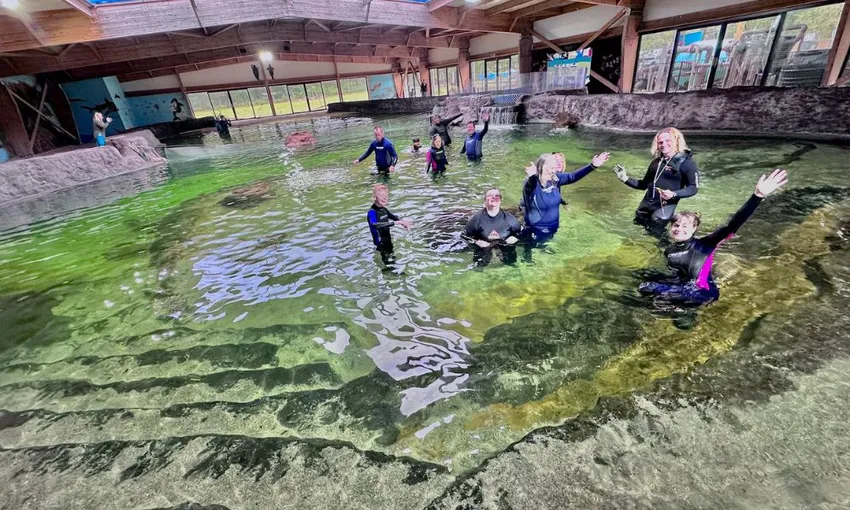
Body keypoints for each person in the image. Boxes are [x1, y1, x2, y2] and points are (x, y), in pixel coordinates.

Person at [638, 169, 788, 306]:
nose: (679, 229)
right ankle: (678, 310)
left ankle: (681, 312)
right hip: (683, 289)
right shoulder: (669, 250)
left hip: (701, 293)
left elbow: (732, 225)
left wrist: (757, 196)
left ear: (694, 229)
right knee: (642, 278)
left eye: (685, 226)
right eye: (676, 225)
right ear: (671, 228)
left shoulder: (705, 245)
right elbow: (679, 276)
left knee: (649, 289)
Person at [613, 127, 699, 224]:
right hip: (645, 207)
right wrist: (625, 178)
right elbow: (644, 185)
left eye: (668, 141)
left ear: (677, 141)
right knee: (637, 228)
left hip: (664, 209)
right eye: (660, 142)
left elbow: (693, 188)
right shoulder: (656, 162)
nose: (663, 144)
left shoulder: (686, 162)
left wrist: (674, 194)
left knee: (657, 229)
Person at [520, 151, 610, 242]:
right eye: (550, 168)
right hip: (535, 231)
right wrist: (532, 177)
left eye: (554, 168)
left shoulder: (554, 179)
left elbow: (572, 176)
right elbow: (530, 185)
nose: (552, 171)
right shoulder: (531, 184)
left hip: (552, 229)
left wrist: (592, 166)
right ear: (540, 168)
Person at [464, 188, 520, 266]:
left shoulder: (509, 219)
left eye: (496, 196)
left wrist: (516, 238)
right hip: (484, 248)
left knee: (511, 263)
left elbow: (522, 233)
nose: (493, 197)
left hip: (505, 245)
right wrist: (476, 242)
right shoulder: (476, 220)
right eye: (490, 196)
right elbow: (464, 236)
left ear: (500, 200)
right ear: (485, 201)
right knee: (479, 266)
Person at [367, 184, 413, 264]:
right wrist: (395, 223)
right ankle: (388, 274)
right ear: (374, 197)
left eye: (386, 196)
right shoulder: (372, 212)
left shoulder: (384, 209)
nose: (384, 198)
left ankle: (394, 272)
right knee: (387, 263)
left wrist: (403, 222)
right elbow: (375, 225)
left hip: (388, 240)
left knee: (392, 257)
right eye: (381, 195)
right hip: (380, 243)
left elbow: (393, 217)